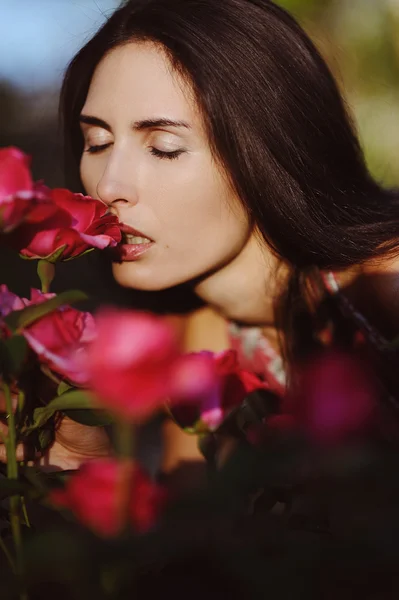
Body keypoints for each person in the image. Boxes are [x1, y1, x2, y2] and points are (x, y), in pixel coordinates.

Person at [1, 0, 399, 472]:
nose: (108, 185)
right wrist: (86, 469)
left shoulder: (385, 291)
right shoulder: (199, 343)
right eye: (98, 143)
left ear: (270, 148)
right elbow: (201, 536)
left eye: (164, 147)